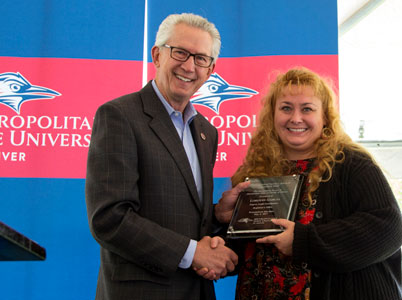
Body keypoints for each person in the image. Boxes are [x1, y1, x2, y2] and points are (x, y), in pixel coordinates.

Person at [213, 67, 402, 299]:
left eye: (307, 109)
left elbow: (389, 228)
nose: (295, 118)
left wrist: (304, 241)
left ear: (324, 118)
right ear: (272, 115)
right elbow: (251, 246)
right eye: (286, 108)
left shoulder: (350, 163)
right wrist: (221, 238)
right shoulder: (256, 169)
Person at [85, 13, 238, 300]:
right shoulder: (119, 116)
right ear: (157, 55)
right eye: (180, 52)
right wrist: (193, 254)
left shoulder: (207, 132)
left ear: (211, 69)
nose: (189, 66)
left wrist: (217, 215)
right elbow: (109, 218)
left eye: (201, 59)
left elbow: (183, 216)